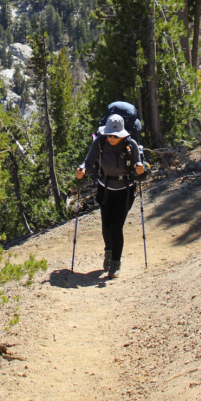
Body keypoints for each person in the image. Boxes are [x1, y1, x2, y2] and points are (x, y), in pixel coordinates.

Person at [75, 113, 147, 279]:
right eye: (108, 134)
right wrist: (82, 170)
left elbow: (140, 168)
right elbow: (88, 161)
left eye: (114, 135)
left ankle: (115, 263)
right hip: (105, 188)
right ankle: (108, 251)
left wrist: (141, 170)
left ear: (121, 135)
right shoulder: (99, 142)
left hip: (125, 190)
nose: (111, 138)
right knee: (106, 226)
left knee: (116, 226)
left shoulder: (131, 145)